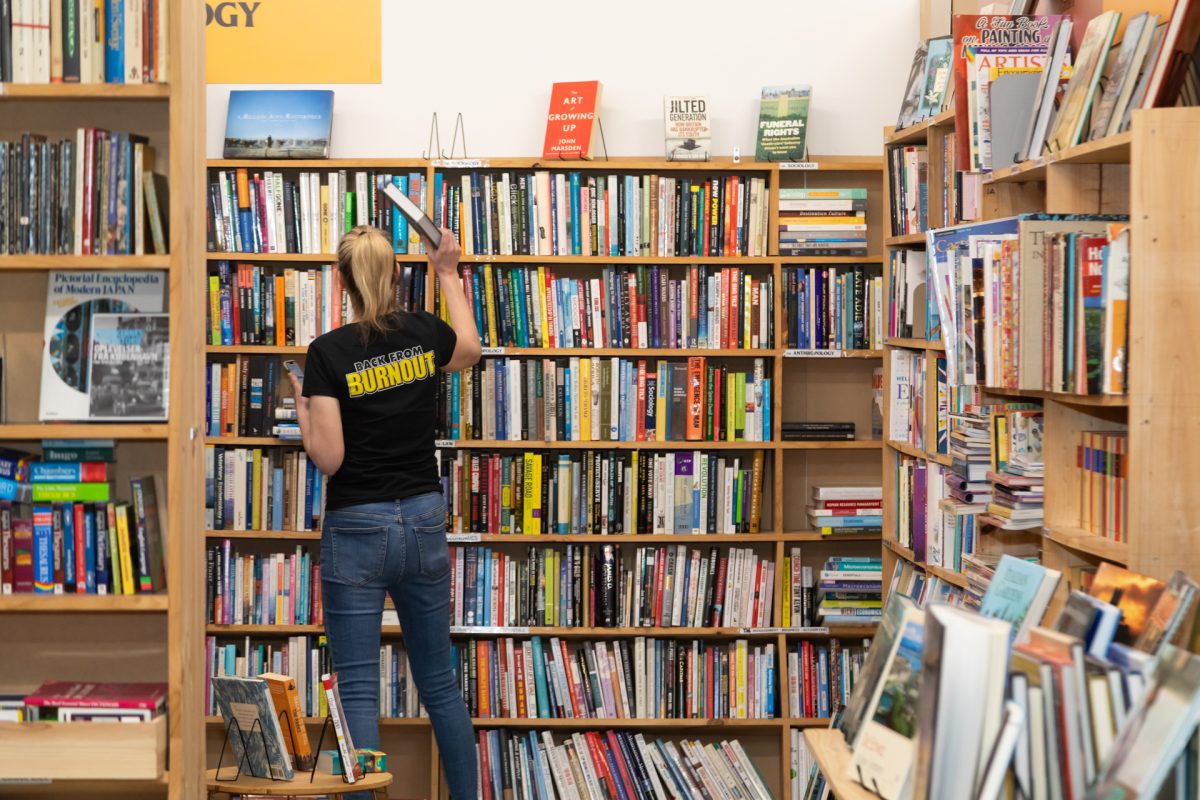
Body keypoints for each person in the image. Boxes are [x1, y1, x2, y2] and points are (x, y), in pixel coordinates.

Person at [287, 225, 481, 799]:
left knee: (358, 689)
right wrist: (446, 271)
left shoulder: (328, 352)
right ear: (397, 275)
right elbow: (469, 351)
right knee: (440, 683)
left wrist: (303, 409)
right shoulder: (424, 333)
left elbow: (329, 457)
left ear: (341, 280)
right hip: (422, 520)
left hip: (358, 526)